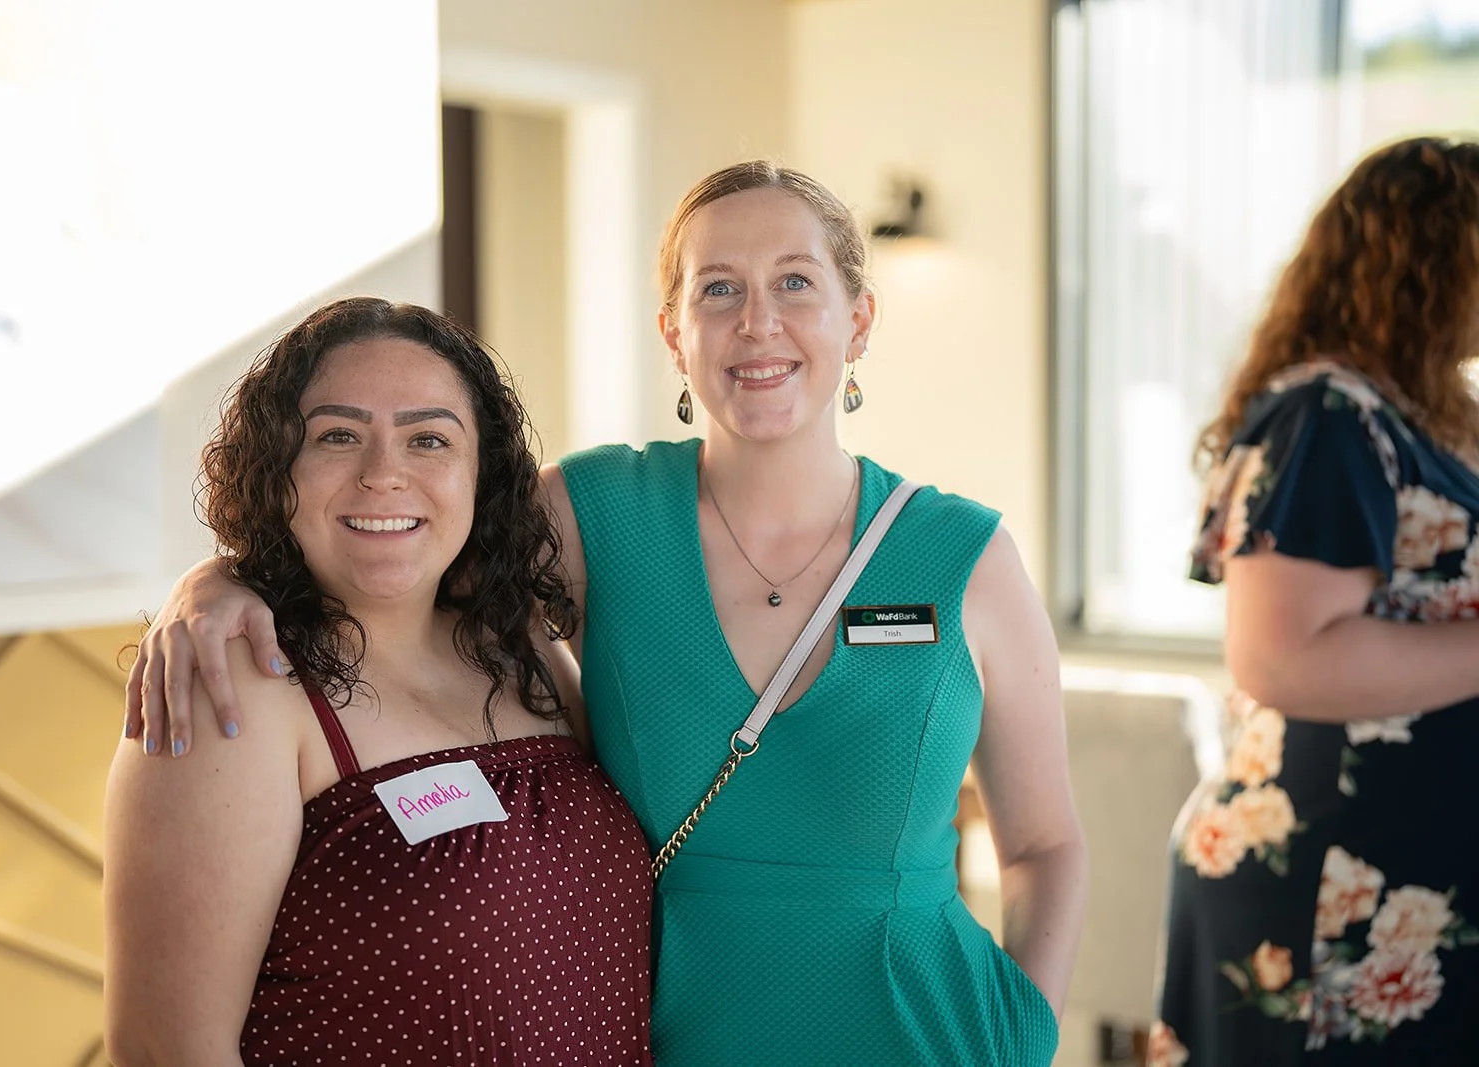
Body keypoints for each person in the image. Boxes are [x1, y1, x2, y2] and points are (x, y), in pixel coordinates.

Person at [126, 162, 1086, 1065]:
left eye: (795, 283)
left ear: (859, 319)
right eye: (718, 288)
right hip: (682, 1033)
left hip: (935, 1032)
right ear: (674, 332)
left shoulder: (966, 552)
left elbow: (1045, 845)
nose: (758, 322)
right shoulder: (590, 515)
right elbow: (398, 541)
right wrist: (216, 581)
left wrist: (1025, 1029)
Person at [102, 298, 653, 1066]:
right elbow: (164, 1049)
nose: (384, 474)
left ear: (481, 473)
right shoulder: (233, 681)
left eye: (429, 439)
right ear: (276, 469)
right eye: (338, 435)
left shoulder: (520, 642)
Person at [1151, 136, 1479, 1066]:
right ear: (1428, 261)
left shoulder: (1434, 411)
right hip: (1330, 882)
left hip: (1417, 876)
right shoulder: (1328, 414)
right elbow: (1282, 657)